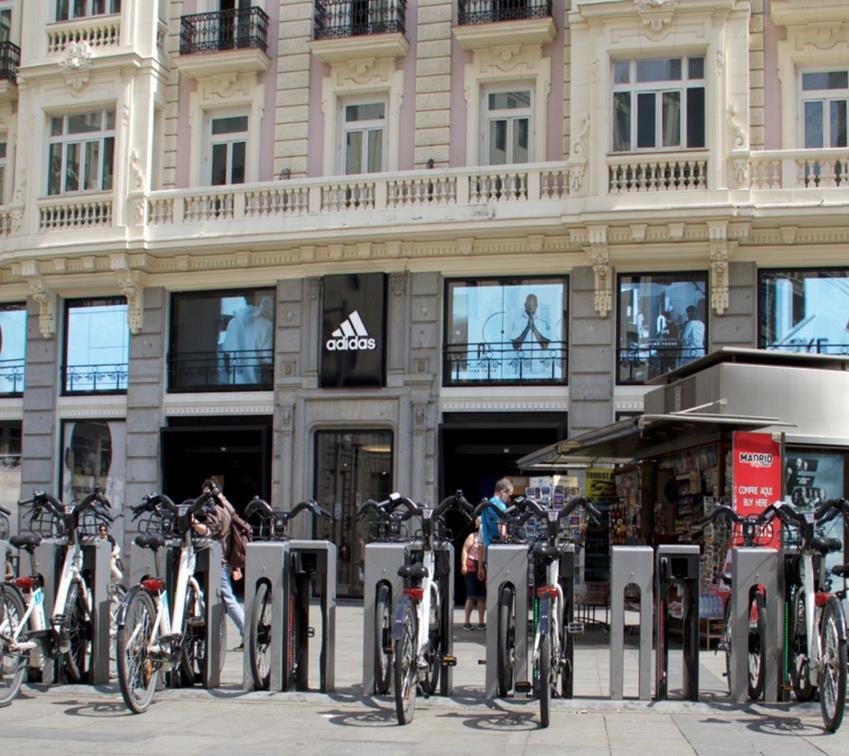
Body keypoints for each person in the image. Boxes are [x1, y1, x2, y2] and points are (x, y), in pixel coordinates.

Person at [192, 477, 245, 649]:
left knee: (228, 599)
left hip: (218, 561)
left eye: (207, 494)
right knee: (216, 597)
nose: (204, 498)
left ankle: (248, 632)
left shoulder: (216, 511)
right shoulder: (227, 508)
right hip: (223, 560)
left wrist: (193, 522)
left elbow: (210, 531)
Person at [460, 524, 486, 630]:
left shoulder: (488, 536)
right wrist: (464, 565)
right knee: (471, 596)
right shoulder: (472, 536)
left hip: (484, 566)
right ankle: (467, 622)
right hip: (472, 566)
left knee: (481, 597)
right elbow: (465, 550)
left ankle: (481, 622)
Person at [481, 478, 513, 548]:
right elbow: (502, 534)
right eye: (509, 495)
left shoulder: (487, 504)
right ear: (503, 491)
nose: (509, 499)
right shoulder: (500, 506)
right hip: (497, 548)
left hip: (487, 546)